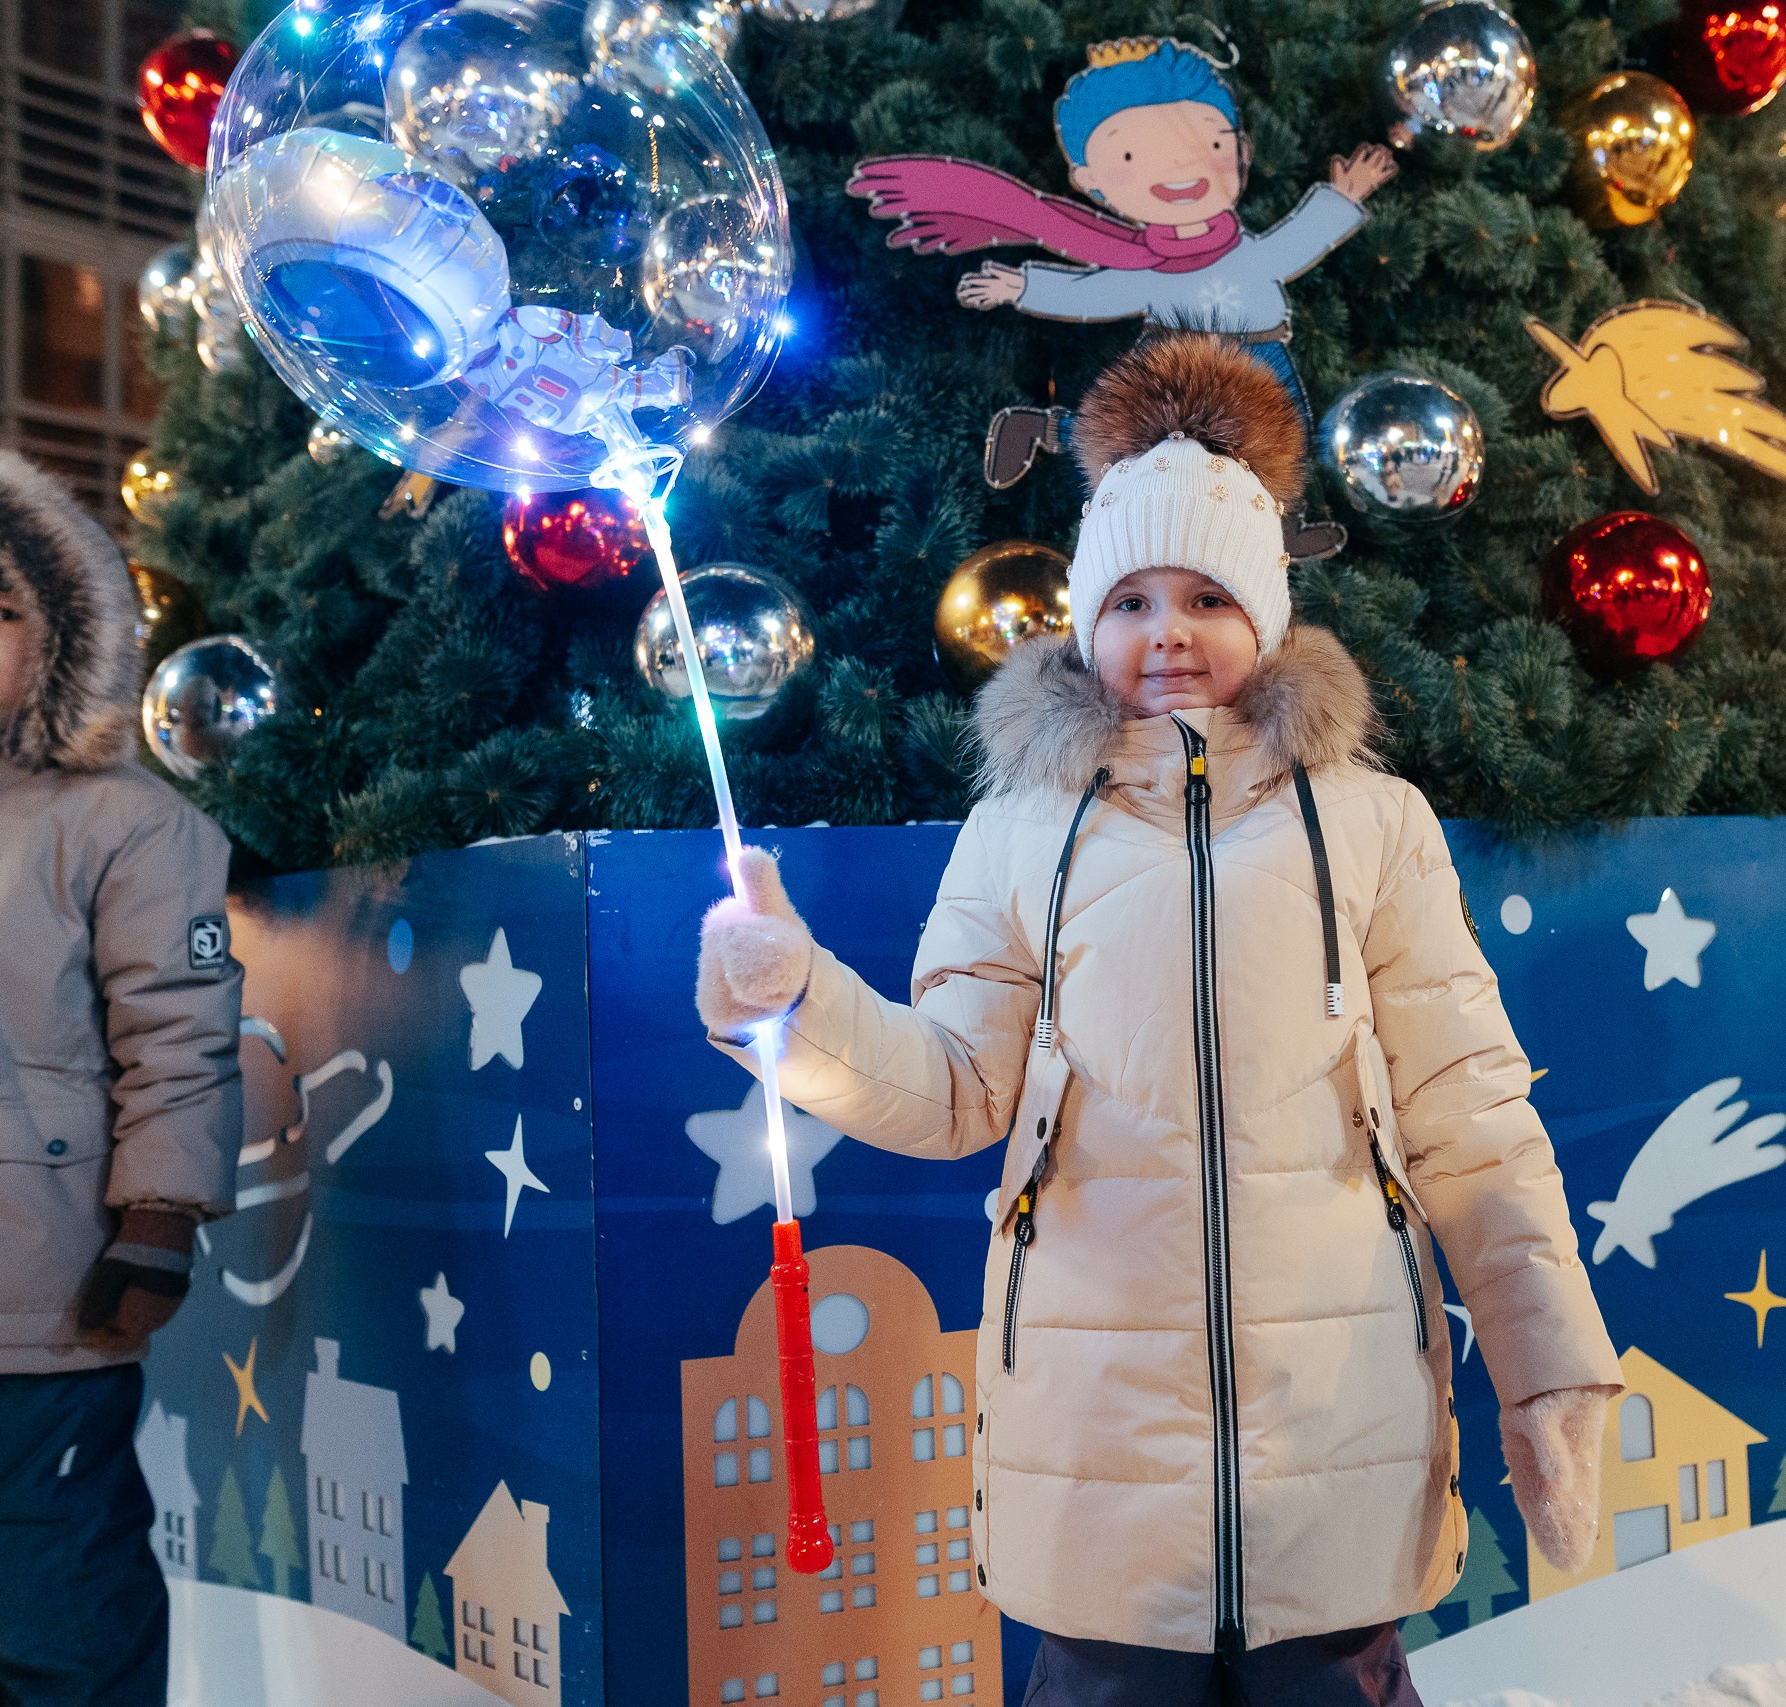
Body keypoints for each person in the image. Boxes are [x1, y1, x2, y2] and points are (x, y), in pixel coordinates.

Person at [694, 336, 1619, 1704]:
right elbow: (951, 1089)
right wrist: (795, 996)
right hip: (1095, 1465)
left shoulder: (1370, 825)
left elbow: (1473, 1120)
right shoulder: (1019, 832)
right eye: (1128, 599)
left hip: (1337, 1442)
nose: (1167, 632)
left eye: (1203, 595)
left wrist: (1549, 1369)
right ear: (1083, 621)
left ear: (1266, 612)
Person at [0, 446, 243, 1704]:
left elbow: (176, 1029)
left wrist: (157, 1219)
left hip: (36, 1291)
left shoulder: (127, 824)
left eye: (1, 611)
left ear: (60, 632)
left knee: (42, 1598)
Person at [848, 37, 1396, 558]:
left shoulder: (1247, 252)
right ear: (1089, 181)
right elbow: (1096, 291)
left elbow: (1291, 246)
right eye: (1135, 156)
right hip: (1172, 361)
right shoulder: (1144, 268)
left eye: (1208, 145)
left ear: (1241, 149)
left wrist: (1343, 196)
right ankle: (1038, 428)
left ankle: (1283, 530)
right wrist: (1020, 287)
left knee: (1287, 435)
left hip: (1262, 354)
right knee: (1128, 437)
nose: (1182, 169)